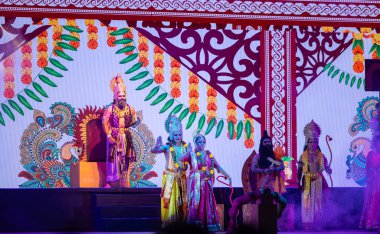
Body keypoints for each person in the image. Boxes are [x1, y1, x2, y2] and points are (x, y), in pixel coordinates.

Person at [228, 130, 287, 232]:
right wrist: (264, 170)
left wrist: (274, 169)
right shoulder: (258, 156)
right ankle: (231, 225)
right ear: (262, 144)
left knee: (283, 202)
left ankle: (273, 222)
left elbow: (282, 166)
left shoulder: (275, 156)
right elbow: (253, 169)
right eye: (265, 142)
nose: (267, 144)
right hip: (262, 190)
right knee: (236, 202)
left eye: (269, 142)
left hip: (273, 190)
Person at [150, 115, 191, 228]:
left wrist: (190, 154)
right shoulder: (167, 147)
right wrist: (156, 146)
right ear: (171, 136)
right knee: (170, 202)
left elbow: (190, 162)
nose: (178, 136)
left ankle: (182, 225)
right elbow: (154, 151)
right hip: (170, 178)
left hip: (182, 178)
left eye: (180, 134)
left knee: (182, 202)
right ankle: (169, 225)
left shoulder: (186, 147)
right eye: (175, 135)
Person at [186, 130, 231, 231]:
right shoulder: (192, 154)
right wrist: (187, 152)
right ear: (195, 143)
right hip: (196, 183)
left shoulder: (209, 155)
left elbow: (218, 167)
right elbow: (180, 160)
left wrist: (228, 176)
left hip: (206, 183)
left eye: (203, 142)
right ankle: (194, 226)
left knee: (206, 202)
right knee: (196, 202)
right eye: (199, 142)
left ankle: (206, 225)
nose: (202, 144)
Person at [102, 74, 140, 188]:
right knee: (113, 160)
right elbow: (104, 123)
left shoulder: (130, 108)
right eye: (120, 95)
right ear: (115, 96)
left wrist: (137, 121)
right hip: (114, 136)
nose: (122, 97)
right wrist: (109, 136)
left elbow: (133, 121)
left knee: (125, 159)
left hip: (126, 136)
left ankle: (125, 181)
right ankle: (110, 182)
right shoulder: (110, 109)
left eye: (123, 95)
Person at [297, 120, 327, 230]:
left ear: (317, 142)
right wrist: (297, 181)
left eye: (314, 141)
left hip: (318, 180)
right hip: (306, 181)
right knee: (307, 202)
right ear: (307, 142)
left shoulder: (321, 155)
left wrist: (328, 169)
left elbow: (326, 168)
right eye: (310, 141)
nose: (312, 144)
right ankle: (307, 224)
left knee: (318, 202)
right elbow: (299, 170)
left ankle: (317, 223)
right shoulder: (302, 156)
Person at [359, 135, 380, 231]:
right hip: (373, 181)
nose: (376, 144)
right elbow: (367, 168)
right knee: (372, 200)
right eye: (375, 142)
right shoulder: (371, 154)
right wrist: (371, 174)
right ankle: (371, 223)